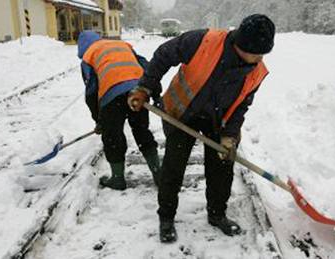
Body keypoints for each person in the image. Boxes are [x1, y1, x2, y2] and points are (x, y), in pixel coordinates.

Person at [127, 14, 275, 242]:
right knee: (173, 167)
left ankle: (217, 215)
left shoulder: (256, 70)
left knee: (223, 165)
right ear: (239, 44)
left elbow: (241, 106)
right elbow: (163, 55)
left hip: (219, 120)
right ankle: (166, 216)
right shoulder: (203, 41)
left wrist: (229, 136)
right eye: (254, 53)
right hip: (182, 113)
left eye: (261, 54)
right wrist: (145, 87)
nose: (257, 59)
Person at [77, 31, 160, 190]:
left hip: (112, 93)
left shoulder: (88, 56)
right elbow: (145, 65)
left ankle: (117, 178)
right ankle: (159, 174)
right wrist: (151, 91)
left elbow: (91, 92)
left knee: (113, 136)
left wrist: (100, 120)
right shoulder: (122, 45)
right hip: (138, 91)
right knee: (141, 130)